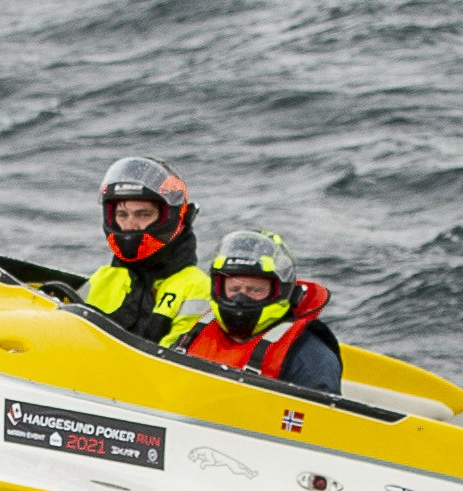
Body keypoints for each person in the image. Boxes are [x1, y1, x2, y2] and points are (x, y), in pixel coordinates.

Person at [166, 229, 343, 395]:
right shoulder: (193, 336)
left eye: (255, 290)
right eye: (234, 289)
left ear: (280, 291)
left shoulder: (310, 356)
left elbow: (316, 421)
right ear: (218, 288)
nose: (241, 299)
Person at [80, 156, 209, 345]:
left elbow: (175, 361)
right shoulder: (102, 279)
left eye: (143, 214)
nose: (130, 226)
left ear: (175, 218)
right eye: (122, 215)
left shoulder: (198, 288)